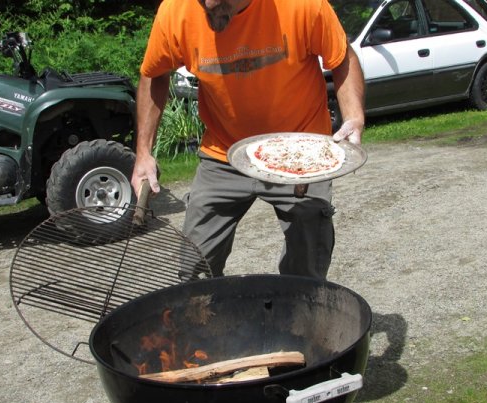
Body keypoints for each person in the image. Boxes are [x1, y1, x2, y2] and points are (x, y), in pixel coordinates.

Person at [132, 0, 365, 279]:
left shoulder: (302, 5)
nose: (209, 7)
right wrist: (143, 152)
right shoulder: (176, 10)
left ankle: (298, 312)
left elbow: (342, 59)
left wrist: (353, 115)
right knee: (194, 268)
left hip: (300, 151)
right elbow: (154, 73)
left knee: (307, 265)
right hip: (223, 152)